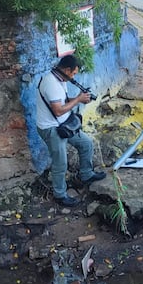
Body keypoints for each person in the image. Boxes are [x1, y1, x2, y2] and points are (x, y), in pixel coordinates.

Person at [36, 54, 106, 207]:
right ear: (67, 70)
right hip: (51, 128)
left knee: (86, 144)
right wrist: (78, 100)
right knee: (60, 162)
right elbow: (58, 111)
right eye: (74, 73)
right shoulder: (51, 84)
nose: (75, 76)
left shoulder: (61, 78)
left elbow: (63, 101)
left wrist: (77, 97)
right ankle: (60, 195)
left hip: (65, 125)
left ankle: (86, 174)